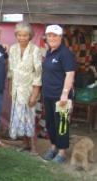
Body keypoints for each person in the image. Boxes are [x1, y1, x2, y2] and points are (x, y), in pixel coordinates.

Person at [42, 25, 75, 163]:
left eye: (55, 35)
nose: (52, 38)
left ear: (60, 37)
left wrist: (64, 94)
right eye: (49, 35)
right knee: (50, 124)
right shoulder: (49, 52)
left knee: (61, 125)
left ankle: (62, 153)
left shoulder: (65, 53)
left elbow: (70, 74)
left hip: (61, 96)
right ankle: (54, 147)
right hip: (48, 95)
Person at [8, 22, 42, 155]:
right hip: (16, 90)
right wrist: (11, 89)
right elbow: (10, 71)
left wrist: (34, 95)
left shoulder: (35, 50)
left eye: (25, 35)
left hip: (29, 90)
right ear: (16, 35)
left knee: (30, 117)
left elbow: (38, 73)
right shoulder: (13, 49)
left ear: (30, 36)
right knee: (19, 117)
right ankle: (25, 143)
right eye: (19, 35)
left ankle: (34, 146)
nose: (22, 37)